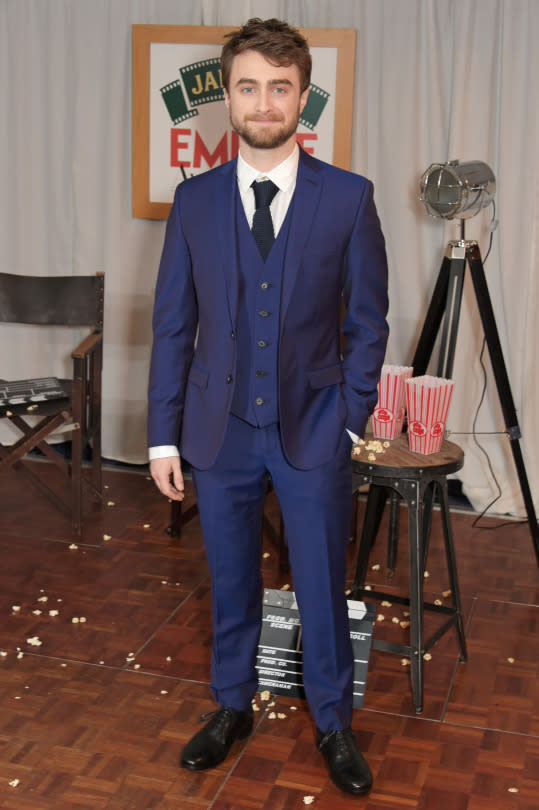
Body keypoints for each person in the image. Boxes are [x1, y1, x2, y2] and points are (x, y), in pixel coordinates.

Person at [148, 17, 389, 796]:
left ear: (300, 97)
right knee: (229, 579)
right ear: (227, 96)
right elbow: (172, 325)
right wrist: (161, 438)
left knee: (320, 581)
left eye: (278, 88)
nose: (263, 102)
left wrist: (349, 416)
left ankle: (332, 721)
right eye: (248, 86)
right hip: (217, 434)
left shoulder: (349, 199)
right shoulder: (193, 202)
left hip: (313, 430)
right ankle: (230, 706)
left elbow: (368, 322)